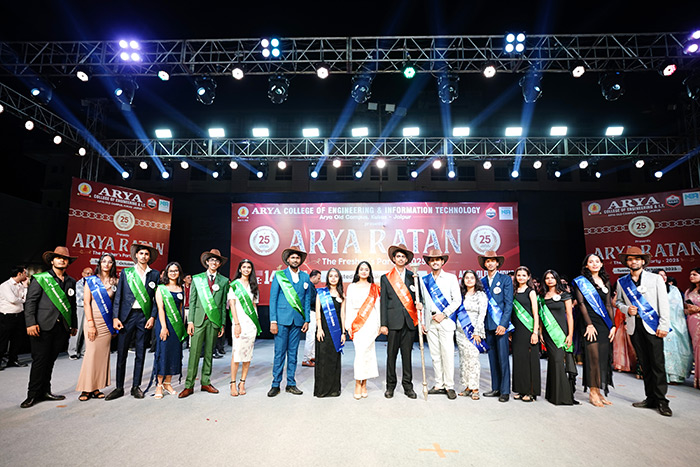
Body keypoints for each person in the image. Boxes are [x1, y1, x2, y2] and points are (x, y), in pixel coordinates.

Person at [615, 246, 672, 416]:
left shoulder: (655, 279)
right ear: (626, 262)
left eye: (637, 259)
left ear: (643, 261)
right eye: (630, 259)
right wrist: (626, 309)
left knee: (657, 364)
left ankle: (662, 401)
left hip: (653, 326)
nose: (634, 262)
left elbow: (664, 303)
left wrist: (663, 325)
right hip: (635, 326)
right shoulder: (622, 282)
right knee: (645, 364)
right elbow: (618, 302)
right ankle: (650, 398)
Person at [21, 247, 78, 408]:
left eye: (65, 258)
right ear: (52, 261)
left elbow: (72, 306)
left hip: (61, 328)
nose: (62, 260)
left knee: (50, 361)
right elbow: (30, 302)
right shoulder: (41, 278)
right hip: (42, 326)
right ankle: (32, 395)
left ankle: (45, 391)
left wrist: (73, 324)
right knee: (40, 361)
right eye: (58, 258)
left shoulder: (71, 281)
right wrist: (30, 323)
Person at [105, 244, 160, 401]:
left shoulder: (154, 274)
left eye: (146, 254)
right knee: (122, 353)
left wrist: (152, 317)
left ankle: (136, 386)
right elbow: (119, 296)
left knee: (140, 352)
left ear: (149, 257)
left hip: (144, 316)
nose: (143, 256)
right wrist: (115, 317)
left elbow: (156, 299)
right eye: (141, 253)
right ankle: (119, 387)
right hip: (126, 317)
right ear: (136, 255)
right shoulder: (127, 272)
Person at [179, 249, 229, 398]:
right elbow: (192, 302)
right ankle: (189, 385)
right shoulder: (197, 279)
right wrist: (190, 321)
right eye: (211, 260)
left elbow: (223, 305)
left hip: (214, 321)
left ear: (219, 264)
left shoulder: (224, 281)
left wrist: (222, 324)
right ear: (207, 262)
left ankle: (206, 382)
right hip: (198, 321)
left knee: (209, 353)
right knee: (194, 353)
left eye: (217, 260)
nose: (214, 262)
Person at [572, 254, 616, 407]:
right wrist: (589, 324)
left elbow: (608, 305)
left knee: (603, 357)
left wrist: (612, 325)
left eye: (597, 261)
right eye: (591, 262)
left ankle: (599, 391)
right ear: (586, 265)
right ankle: (592, 391)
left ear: (601, 264)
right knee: (593, 358)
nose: (594, 264)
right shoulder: (581, 281)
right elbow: (581, 304)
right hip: (589, 323)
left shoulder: (605, 281)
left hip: (604, 323)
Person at [267, 248, 311, 397]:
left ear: (300, 261)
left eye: (297, 258)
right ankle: (275, 384)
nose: (295, 260)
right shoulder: (279, 275)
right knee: (279, 353)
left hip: (297, 321)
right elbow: (273, 299)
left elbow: (306, 300)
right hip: (281, 320)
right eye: (292, 257)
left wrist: (307, 319)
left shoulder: (305, 277)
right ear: (287, 260)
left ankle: (291, 383)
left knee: (293, 354)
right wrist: (273, 320)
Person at [76, 253, 118, 401]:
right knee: (91, 353)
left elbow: (117, 303)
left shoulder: (115, 281)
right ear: (99, 263)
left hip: (107, 322)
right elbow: (86, 302)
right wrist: (91, 324)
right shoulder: (91, 280)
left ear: (113, 265)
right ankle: (85, 388)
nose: (106, 264)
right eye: (104, 261)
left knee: (102, 356)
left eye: (110, 262)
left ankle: (96, 388)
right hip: (92, 320)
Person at [380, 244, 419, 399]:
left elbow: (418, 298)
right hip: (393, 322)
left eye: (403, 257)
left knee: (407, 356)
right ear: (394, 259)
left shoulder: (413, 276)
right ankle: (390, 386)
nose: (401, 259)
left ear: (407, 260)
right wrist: (383, 324)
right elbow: (383, 302)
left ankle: (408, 386)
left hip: (409, 322)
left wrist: (420, 304)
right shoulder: (386, 278)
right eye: (398, 256)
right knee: (391, 356)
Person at [420, 249, 460, 400]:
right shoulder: (424, 280)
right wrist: (423, 321)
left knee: (447, 354)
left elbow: (457, 300)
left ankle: (449, 385)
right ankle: (439, 384)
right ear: (429, 263)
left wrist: (444, 314)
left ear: (442, 261)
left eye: (438, 259)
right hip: (430, 322)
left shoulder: (451, 278)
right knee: (435, 355)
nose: (435, 262)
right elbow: (423, 303)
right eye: (432, 260)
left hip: (445, 321)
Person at [146, 261, 185, 399]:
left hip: (177, 325)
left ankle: (168, 383)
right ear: (167, 273)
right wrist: (163, 326)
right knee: (163, 353)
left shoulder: (181, 288)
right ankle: (159, 385)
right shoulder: (161, 288)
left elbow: (181, 308)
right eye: (171, 271)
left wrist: (182, 325)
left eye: (176, 271)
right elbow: (160, 309)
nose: (173, 273)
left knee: (173, 353)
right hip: (164, 323)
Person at [478, 250, 513, 402]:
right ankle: (496, 388)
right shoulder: (482, 282)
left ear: (497, 263)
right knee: (492, 358)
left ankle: (505, 391)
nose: (490, 263)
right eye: (488, 261)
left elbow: (508, 304)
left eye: (493, 260)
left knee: (503, 358)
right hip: (488, 325)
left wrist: (503, 324)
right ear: (484, 264)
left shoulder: (505, 279)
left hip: (500, 326)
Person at [344, 261, 381, 399]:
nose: (364, 271)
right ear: (357, 271)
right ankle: (357, 383)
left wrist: (379, 325)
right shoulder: (352, 287)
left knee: (368, 353)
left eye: (366, 269)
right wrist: (348, 325)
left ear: (369, 272)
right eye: (361, 269)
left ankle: (364, 383)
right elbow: (348, 306)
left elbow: (378, 307)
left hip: (371, 322)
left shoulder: (374, 287)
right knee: (360, 353)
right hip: (357, 322)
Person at [540, 269, 578, 406]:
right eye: (547, 278)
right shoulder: (542, 296)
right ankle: (553, 394)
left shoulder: (565, 295)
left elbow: (570, 316)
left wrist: (570, 334)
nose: (550, 280)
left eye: (552, 277)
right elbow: (540, 316)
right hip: (548, 333)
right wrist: (540, 332)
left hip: (562, 332)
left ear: (556, 279)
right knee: (554, 361)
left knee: (560, 361)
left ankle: (563, 395)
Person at [228, 259, 261, 397]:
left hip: (251, 323)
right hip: (239, 322)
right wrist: (236, 323)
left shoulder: (254, 286)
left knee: (247, 353)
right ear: (240, 269)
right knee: (236, 354)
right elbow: (232, 305)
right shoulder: (234, 285)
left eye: (249, 267)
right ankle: (233, 383)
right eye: (244, 267)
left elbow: (254, 305)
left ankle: (242, 382)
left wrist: (256, 322)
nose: (246, 269)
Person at [455, 270, 488, 400]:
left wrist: (477, 332)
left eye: (471, 278)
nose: (469, 280)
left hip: (473, 332)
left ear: (476, 280)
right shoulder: (460, 295)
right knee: (464, 360)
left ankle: (475, 388)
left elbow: (482, 314)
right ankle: (467, 386)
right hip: (460, 332)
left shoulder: (480, 295)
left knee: (473, 360)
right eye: (466, 278)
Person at [314, 267, 345, 397]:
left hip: (336, 331)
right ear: (327, 278)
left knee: (334, 359)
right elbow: (318, 312)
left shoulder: (342, 295)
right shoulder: (321, 293)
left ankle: (334, 389)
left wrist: (343, 333)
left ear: (339, 279)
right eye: (331, 276)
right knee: (323, 359)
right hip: (324, 330)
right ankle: (322, 390)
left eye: (336, 276)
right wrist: (319, 328)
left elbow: (342, 315)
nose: (333, 278)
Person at [511, 266, 541, 402]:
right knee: (519, 360)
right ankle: (521, 389)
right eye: (519, 275)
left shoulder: (531, 292)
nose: (521, 278)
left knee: (529, 361)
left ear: (528, 277)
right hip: (517, 331)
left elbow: (535, 313)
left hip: (528, 330)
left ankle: (530, 391)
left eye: (524, 275)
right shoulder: (514, 292)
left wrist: (535, 332)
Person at [658, 269, 692, 384]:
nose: (663, 277)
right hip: (658, 323)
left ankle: (675, 376)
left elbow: (677, 307)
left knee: (675, 348)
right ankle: (663, 376)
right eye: (660, 275)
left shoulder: (673, 290)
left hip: (674, 324)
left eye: (664, 275)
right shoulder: (651, 289)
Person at [0, 265, 28, 370]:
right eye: (25, 273)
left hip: (19, 315)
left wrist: (25, 287)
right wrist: (22, 299)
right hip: (7, 316)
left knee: (17, 340)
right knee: (3, 340)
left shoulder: (21, 285)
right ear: (19, 274)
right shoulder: (5, 285)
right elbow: (13, 299)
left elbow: (26, 298)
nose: (26, 275)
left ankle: (13, 360)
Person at [68, 267, 93, 360]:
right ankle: (72, 352)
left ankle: (84, 351)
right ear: (82, 274)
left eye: (91, 274)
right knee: (77, 331)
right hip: (80, 307)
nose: (89, 275)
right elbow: (83, 296)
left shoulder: (94, 284)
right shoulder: (79, 283)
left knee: (88, 330)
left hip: (90, 308)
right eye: (87, 273)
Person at [684, 267, 700, 389]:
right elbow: (684, 308)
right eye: (690, 274)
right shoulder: (688, 291)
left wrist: (698, 309)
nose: (691, 276)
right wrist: (688, 310)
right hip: (691, 321)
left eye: (695, 274)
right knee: (696, 348)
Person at [302, 269, 322, 367]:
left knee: (313, 335)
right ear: (313, 277)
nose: (319, 280)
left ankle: (312, 356)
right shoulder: (308, 286)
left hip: (313, 312)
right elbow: (310, 300)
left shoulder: (312, 286)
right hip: (310, 312)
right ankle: (306, 359)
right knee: (310, 336)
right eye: (318, 278)